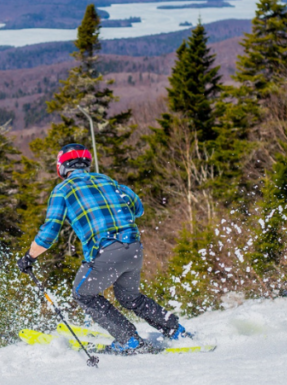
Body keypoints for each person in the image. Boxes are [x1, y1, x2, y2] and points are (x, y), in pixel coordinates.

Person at [17, 143, 189, 353]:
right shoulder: (108, 181)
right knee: (130, 297)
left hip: (105, 252)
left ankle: (128, 340)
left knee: (82, 293)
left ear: (62, 167)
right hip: (134, 249)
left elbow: (49, 233)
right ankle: (175, 330)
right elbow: (138, 208)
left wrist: (29, 257)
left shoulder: (63, 189)